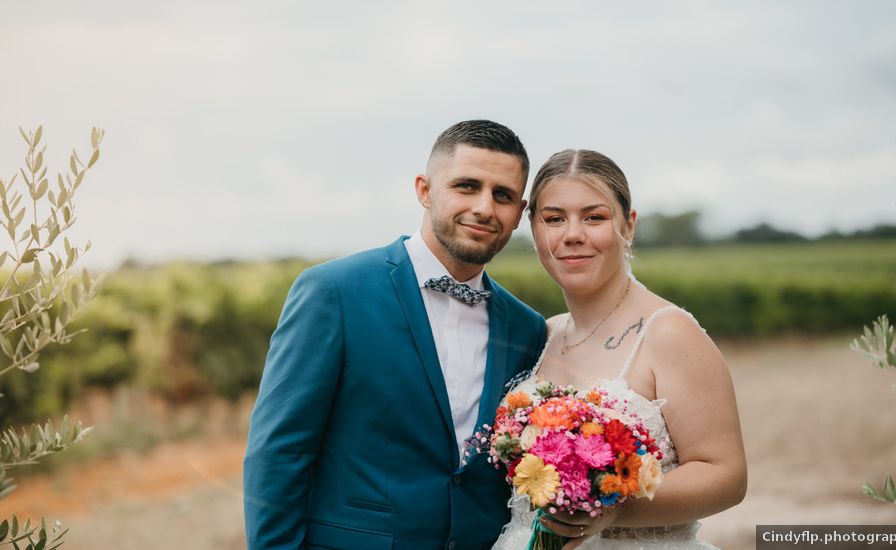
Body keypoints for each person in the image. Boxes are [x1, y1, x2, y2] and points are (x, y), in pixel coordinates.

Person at [242, 119, 546, 550]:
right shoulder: (334, 293)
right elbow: (279, 452)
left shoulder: (527, 327)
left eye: (503, 195)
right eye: (466, 186)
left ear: (519, 211)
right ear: (424, 189)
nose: (484, 207)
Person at [491, 150, 747, 549]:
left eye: (594, 217)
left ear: (628, 225)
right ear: (535, 230)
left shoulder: (669, 333)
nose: (572, 233)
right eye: (554, 218)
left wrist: (608, 506)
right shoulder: (547, 333)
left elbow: (726, 475)